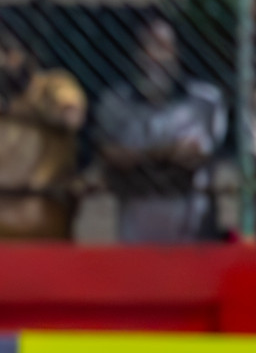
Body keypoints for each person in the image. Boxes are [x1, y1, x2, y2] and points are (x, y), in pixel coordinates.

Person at [95, 18, 226, 242]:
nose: (154, 57)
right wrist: (166, 153)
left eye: (163, 46)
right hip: (136, 233)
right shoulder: (116, 103)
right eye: (148, 45)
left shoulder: (204, 100)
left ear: (178, 52)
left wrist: (137, 159)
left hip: (190, 231)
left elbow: (193, 156)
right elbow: (110, 156)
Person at [0, 12, 86, 240]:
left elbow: (72, 118)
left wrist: (7, 110)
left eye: (8, 52)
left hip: (46, 232)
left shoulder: (52, 87)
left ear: (30, 55)